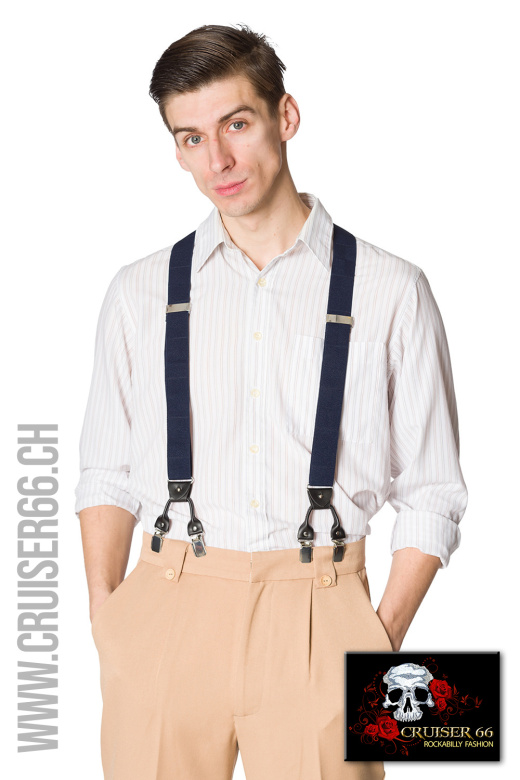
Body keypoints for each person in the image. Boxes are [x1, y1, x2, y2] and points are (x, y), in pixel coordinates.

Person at [75, 23, 468, 780]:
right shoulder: (137, 291)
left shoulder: (393, 289)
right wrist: (107, 620)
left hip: (323, 609)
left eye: (236, 124)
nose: (217, 161)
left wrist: (376, 643)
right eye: (191, 138)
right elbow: (107, 470)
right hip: (166, 608)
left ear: (285, 116)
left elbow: (433, 490)